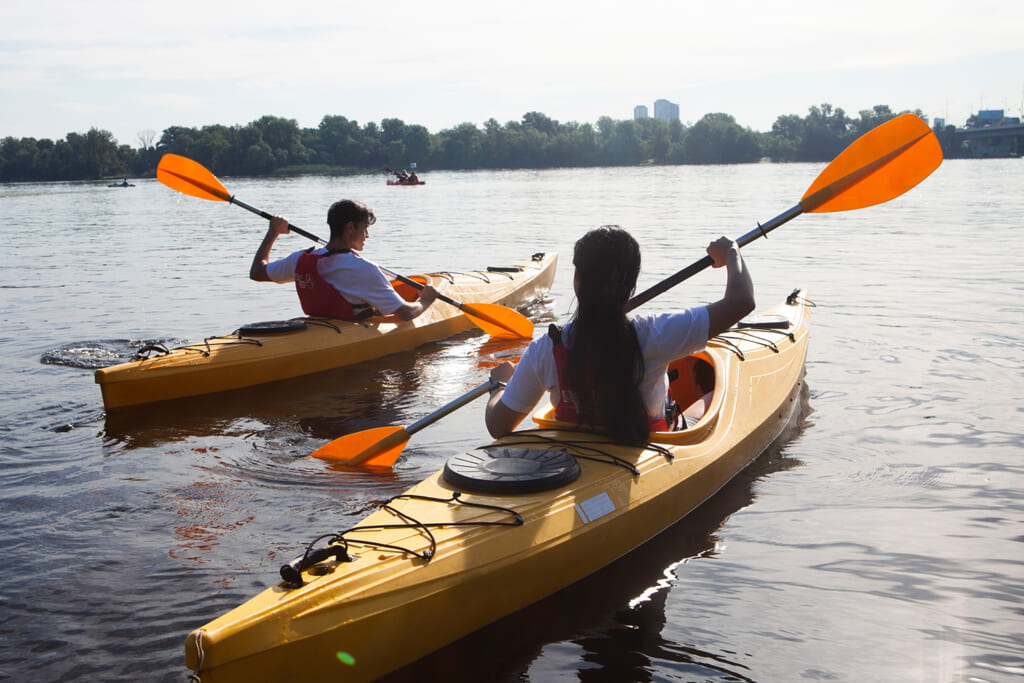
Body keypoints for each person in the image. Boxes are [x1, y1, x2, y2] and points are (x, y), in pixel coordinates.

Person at [485, 225, 755, 446]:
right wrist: (732, 252)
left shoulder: (544, 348)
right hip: (651, 448)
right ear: (630, 285)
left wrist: (499, 385)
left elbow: (498, 426)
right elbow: (741, 301)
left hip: (578, 455)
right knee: (711, 392)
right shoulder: (654, 333)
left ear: (577, 278)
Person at [249, 199, 438, 321]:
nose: (367, 236)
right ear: (350, 228)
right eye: (365, 229)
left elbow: (257, 272)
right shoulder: (364, 268)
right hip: (351, 332)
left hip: (318, 327)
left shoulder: (301, 259)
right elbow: (405, 313)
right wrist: (426, 301)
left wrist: (273, 232)